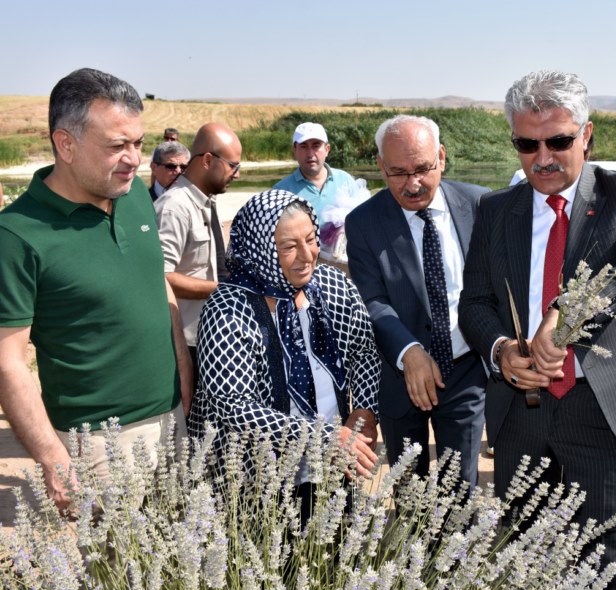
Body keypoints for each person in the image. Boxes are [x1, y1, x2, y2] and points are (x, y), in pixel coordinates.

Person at [458, 69, 616, 590]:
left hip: (604, 406)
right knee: (529, 570)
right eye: (526, 144)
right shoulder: (495, 209)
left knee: (603, 572)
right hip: (522, 412)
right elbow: (476, 303)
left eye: (558, 140)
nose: (543, 157)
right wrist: (503, 349)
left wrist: (568, 309)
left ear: (586, 135)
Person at [0, 68, 192, 511]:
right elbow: (8, 363)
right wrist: (52, 457)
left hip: (172, 421)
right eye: (116, 146)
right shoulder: (17, 235)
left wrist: (182, 365)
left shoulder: (136, 198)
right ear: (65, 143)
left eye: (138, 144)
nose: (133, 159)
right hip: (98, 446)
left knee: (187, 571)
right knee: (120, 579)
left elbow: (155, 279)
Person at [188, 189, 379, 520]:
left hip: (333, 465)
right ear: (261, 250)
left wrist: (363, 414)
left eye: (311, 239)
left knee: (329, 557)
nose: (308, 256)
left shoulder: (333, 286)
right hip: (253, 477)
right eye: (289, 247)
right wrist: (325, 436)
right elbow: (235, 406)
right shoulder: (228, 308)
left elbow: (363, 352)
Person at [345, 115, 488, 483]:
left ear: (441, 156)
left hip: (466, 371)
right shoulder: (363, 222)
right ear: (380, 166)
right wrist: (409, 351)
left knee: (460, 490)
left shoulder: (479, 205)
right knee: (408, 489)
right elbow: (372, 301)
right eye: (398, 172)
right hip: (398, 378)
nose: (413, 184)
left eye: (423, 168)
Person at [155, 122, 242, 382]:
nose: (236, 174)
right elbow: (160, 277)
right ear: (207, 160)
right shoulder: (174, 207)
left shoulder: (204, 200)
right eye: (232, 165)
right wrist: (221, 290)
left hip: (209, 337)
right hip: (186, 344)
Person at [273, 122, 362, 227]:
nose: (310, 154)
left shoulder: (345, 180)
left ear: (327, 149)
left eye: (316, 146)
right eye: (304, 146)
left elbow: (362, 221)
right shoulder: (281, 192)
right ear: (295, 150)